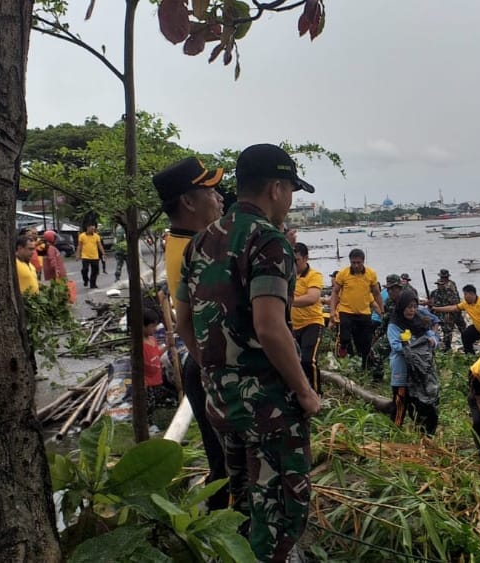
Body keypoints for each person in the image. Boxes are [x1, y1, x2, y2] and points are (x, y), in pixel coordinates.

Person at [174, 143, 321, 562]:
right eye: (291, 189)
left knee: (242, 502)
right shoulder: (269, 241)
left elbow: (184, 322)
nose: (291, 200)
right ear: (276, 188)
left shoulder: (200, 242)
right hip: (271, 410)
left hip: (222, 403)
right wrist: (306, 394)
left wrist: (217, 371)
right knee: (280, 515)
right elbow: (271, 327)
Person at [153, 155, 228, 512]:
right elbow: (186, 321)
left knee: (224, 464)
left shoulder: (184, 240)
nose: (219, 198)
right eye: (210, 191)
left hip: (203, 363)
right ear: (187, 201)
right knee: (229, 468)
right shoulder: (195, 250)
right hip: (210, 364)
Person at [388, 291, 440, 434]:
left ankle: (423, 433)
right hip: (402, 370)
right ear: (402, 307)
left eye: (414, 307)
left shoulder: (419, 320)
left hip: (420, 372)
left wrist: (432, 341)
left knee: (421, 402)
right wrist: (415, 344)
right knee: (400, 402)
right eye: (408, 307)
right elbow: (396, 346)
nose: (412, 310)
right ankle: (395, 432)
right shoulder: (395, 324)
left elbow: (433, 337)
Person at [330, 248, 384, 368]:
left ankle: (364, 366)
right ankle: (343, 349)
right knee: (345, 337)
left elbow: (376, 293)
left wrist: (382, 310)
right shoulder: (343, 274)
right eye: (353, 262)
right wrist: (333, 311)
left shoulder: (371, 274)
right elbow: (335, 292)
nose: (355, 265)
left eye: (358, 262)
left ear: (363, 262)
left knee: (364, 344)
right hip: (346, 311)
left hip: (364, 313)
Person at [291, 242, 325, 393]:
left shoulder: (314, 275)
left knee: (308, 361)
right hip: (293, 325)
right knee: (294, 362)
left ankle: (317, 394)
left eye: (296, 260)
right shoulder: (288, 276)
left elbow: (312, 297)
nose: (293, 264)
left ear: (305, 258)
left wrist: (287, 300)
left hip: (312, 323)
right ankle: (301, 393)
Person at [433, 284, 480, 353]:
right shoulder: (465, 304)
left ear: (472, 294)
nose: (464, 297)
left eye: (465, 294)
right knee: (466, 335)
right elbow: (453, 308)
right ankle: (470, 355)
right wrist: (436, 308)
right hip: (478, 329)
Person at [142, 308, 178, 425]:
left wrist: (167, 346)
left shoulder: (152, 340)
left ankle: (152, 422)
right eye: (152, 326)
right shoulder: (140, 345)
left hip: (157, 379)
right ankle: (148, 425)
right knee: (148, 405)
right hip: (148, 382)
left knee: (155, 401)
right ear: (143, 326)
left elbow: (156, 354)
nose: (155, 329)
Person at [430, 274, 465, 350]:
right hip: (439, 314)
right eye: (438, 284)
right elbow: (431, 302)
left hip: (450, 314)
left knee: (457, 329)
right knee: (445, 331)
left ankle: (463, 343)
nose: (439, 286)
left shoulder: (450, 292)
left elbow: (455, 304)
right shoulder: (434, 293)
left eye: (441, 284)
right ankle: (446, 347)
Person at [76, 224, 106, 288]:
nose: (93, 230)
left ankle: (93, 284)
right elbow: (79, 246)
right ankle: (86, 279)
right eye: (92, 229)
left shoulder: (96, 236)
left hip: (95, 256)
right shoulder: (82, 236)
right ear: (88, 228)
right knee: (85, 269)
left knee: (95, 271)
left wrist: (103, 253)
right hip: (85, 256)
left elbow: (99, 245)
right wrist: (78, 254)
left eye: (94, 229)